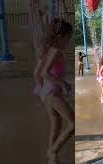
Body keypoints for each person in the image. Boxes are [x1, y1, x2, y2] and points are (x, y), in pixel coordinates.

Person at [33, 18, 74, 164]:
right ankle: (53, 150)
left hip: (46, 92)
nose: (68, 42)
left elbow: (36, 73)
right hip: (52, 92)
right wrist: (63, 84)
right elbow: (45, 73)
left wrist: (41, 90)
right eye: (68, 38)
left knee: (56, 123)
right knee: (73, 123)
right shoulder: (56, 51)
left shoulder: (48, 50)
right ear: (60, 37)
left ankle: (52, 159)